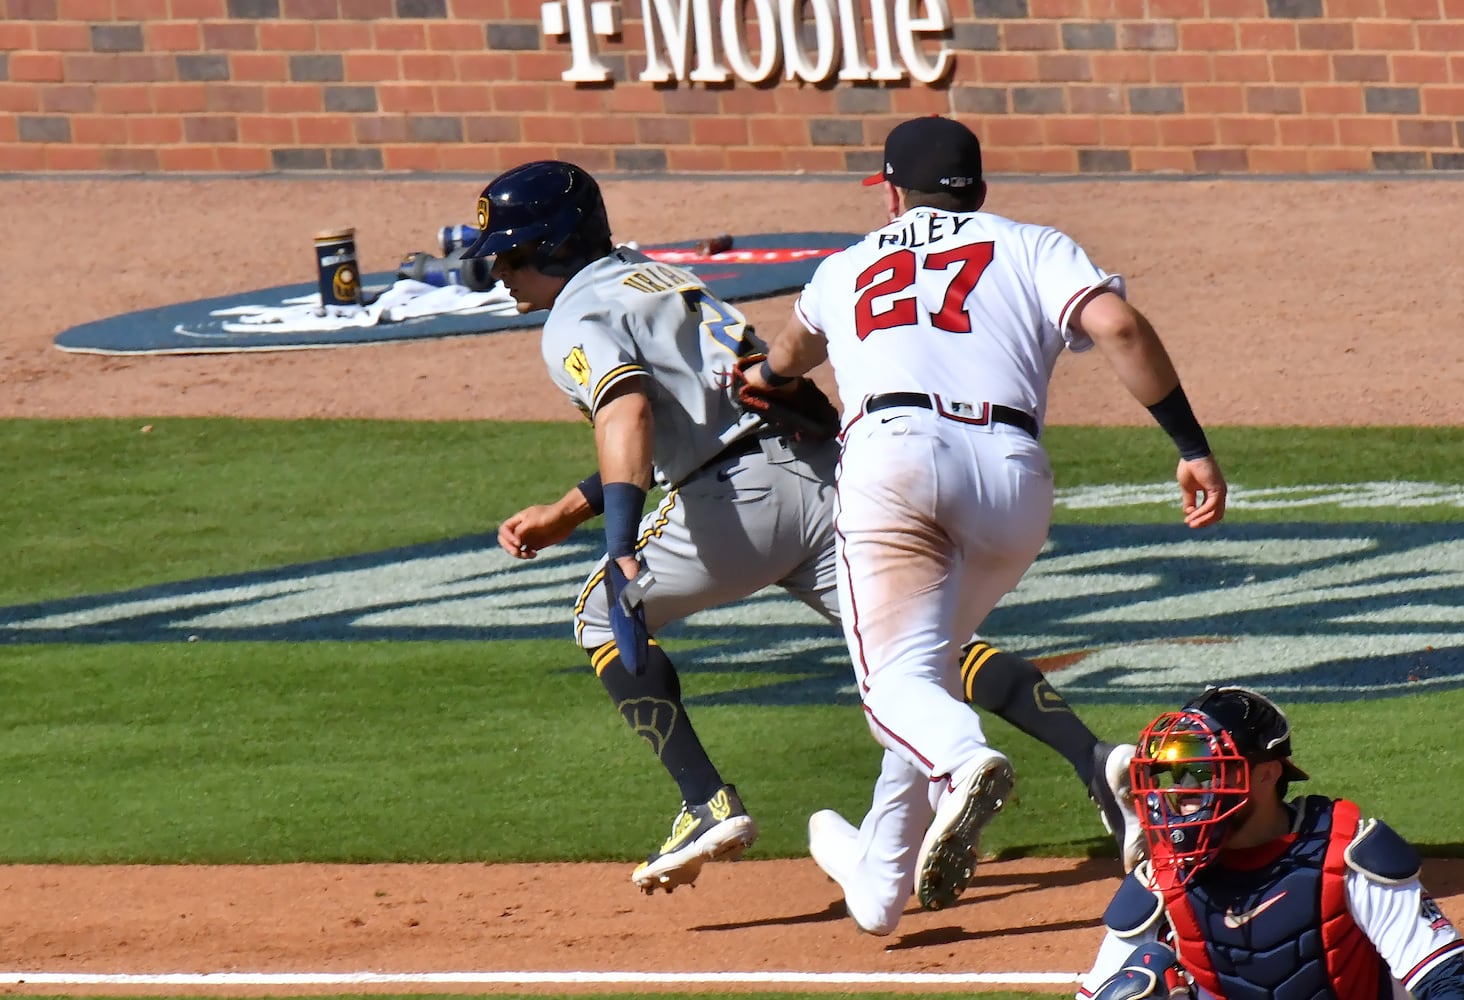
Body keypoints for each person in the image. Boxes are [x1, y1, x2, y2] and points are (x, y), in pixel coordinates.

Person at [461, 158, 1143, 899]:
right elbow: (717, 404)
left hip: (736, 506)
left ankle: (705, 803)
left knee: (600, 615)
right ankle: (1094, 759)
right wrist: (566, 510)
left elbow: (629, 412)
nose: (500, 270)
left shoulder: (573, 315)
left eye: (512, 254)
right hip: (827, 479)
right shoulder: (657, 277)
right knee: (924, 648)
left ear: (556, 247)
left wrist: (618, 545)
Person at [744, 114, 1228, 934]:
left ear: (891, 192)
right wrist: (1190, 446)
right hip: (1011, 480)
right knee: (923, 673)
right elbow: (1116, 326)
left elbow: (787, 359)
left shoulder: (846, 266)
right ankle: (878, 884)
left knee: (890, 688)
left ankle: (965, 762)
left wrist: (758, 373)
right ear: (981, 187)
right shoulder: (1034, 244)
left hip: (893, 465)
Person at [1078, 686, 1464, 1000]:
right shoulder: (1165, 875)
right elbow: (1094, 993)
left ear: (1266, 775)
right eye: (1175, 774)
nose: (1184, 791)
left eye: (1201, 772)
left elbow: (1447, 979)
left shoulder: (1344, 857)